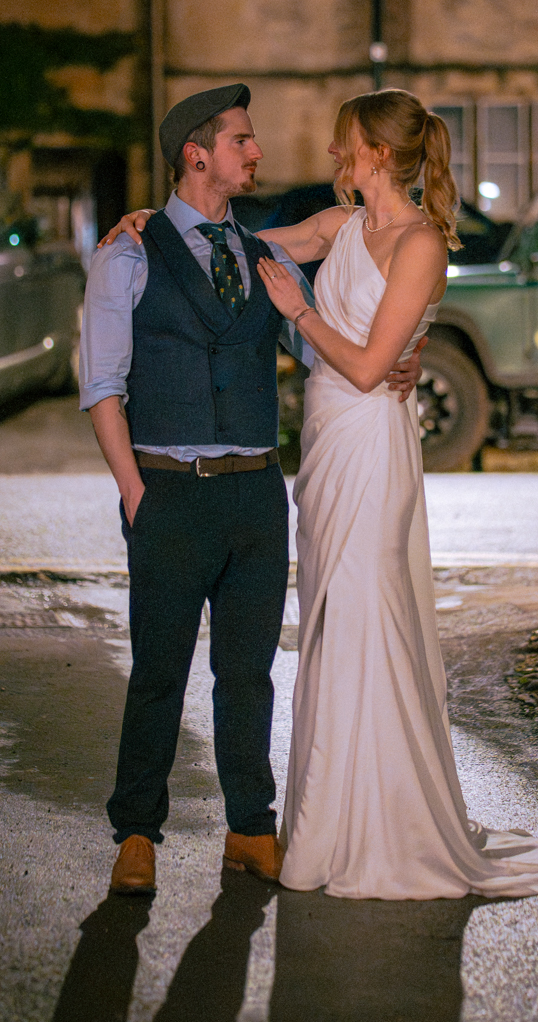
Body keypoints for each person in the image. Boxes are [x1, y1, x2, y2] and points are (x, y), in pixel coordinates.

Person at [105, 88, 538, 900]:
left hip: (370, 446)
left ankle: (383, 822)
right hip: (322, 454)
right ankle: (326, 817)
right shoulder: (341, 228)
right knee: (328, 627)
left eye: (344, 145)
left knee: (368, 618)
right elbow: (234, 243)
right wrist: (149, 225)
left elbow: (364, 365)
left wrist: (305, 312)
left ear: (381, 155)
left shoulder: (421, 243)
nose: (331, 158)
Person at [80, 83, 423, 895]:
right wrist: (134, 492)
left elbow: (323, 353)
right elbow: (102, 386)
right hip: (168, 488)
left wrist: (395, 360)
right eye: (243, 141)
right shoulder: (128, 253)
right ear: (198, 154)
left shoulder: (262, 254)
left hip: (257, 495)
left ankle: (250, 829)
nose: (258, 153)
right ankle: (136, 834)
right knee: (159, 673)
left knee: (249, 674)